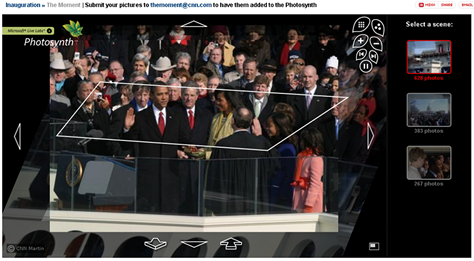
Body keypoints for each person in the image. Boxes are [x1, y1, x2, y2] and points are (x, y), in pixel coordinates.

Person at [123, 84, 190, 213]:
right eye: (160, 94)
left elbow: (183, 140)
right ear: (152, 96)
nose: (164, 97)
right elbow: (129, 144)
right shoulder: (141, 117)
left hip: (170, 175)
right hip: (148, 176)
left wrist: (184, 149)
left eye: (166, 94)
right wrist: (127, 128)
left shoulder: (176, 116)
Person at [206, 107, 276, 215]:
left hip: (231, 204)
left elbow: (215, 176)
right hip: (255, 203)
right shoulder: (260, 145)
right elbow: (274, 164)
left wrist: (215, 205)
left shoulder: (223, 145)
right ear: (250, 123)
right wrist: (260, 136)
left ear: (232, 121)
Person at [61, 80, 110, 155]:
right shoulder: (69, 112)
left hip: (100, 154)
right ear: (78, 93)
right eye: (85, 90)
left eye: (91, 90)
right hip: (78, 154)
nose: (89, 93)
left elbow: (108, 133)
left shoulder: (102, 112)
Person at [266, 112, 297, 212]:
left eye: (269, 126)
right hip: (272, 192)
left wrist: (282, 196)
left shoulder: (287, 148)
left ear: (279, 127)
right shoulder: (274, 144)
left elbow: (289, 174)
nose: (267, 128)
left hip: (280, 196)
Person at [286, 65, 332, 131]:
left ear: (316, 77)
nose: (307, 80)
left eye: (310, 77)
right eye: (305, 77)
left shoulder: (327, 96)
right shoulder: (292, 96)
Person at [292, 128, 324, 213]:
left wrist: (308, 205)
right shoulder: (302, 156)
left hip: (310, 200)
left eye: (303, 140)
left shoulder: (315, 159)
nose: (300, 142)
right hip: (301, 195)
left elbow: (315, 184)